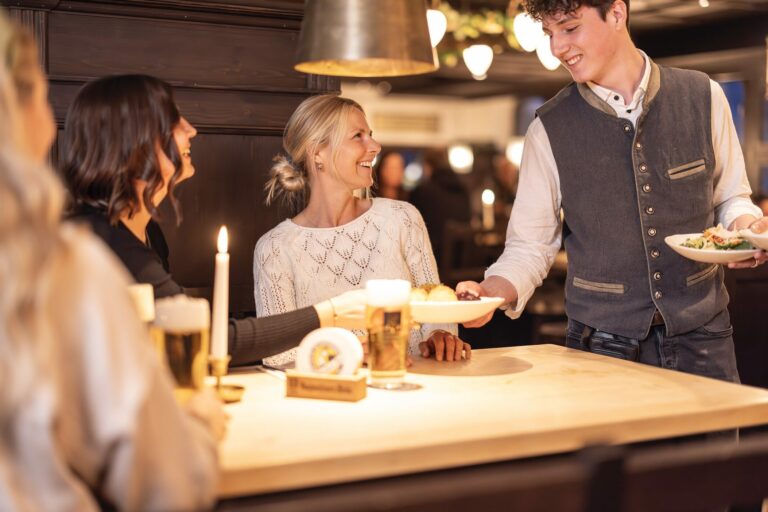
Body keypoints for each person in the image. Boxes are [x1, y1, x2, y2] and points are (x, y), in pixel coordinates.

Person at [458, 0, 768, 384]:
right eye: (550, 34)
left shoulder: (703, 95)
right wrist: (491, 291)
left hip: (703, 338)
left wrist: (748, 229)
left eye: (570, 28)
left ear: (617, 14)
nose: (557, 48)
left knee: (717, 447)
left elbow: (730, 197)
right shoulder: (548, 128)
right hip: (599, 346)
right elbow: (530, 246)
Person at [0, 17, 221, 511]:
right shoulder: (70, 264)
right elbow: (169, 487)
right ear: (23, 118)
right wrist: (201, 425)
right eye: (41, 96)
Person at [61, 75, 364, 367]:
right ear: (136, 140)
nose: (191, 130)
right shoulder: (99, 242)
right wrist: (332, 312)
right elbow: (214, 340)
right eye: (174, 122)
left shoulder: (148, 233)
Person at [255, 95, 470, 366]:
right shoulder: (275, 248)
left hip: (414, 389)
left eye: (371, 135)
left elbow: (435, 306)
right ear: (317, 152)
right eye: (358, 136)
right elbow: (276, 354)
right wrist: (345, 352)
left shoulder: (402, 218)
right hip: (332, 402)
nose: (375, 146)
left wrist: (441, 334)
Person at [409, 147, 472, 268]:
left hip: (432, 264)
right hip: (463, 264)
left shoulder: (423, 191)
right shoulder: (463, 191)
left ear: (428, 166)